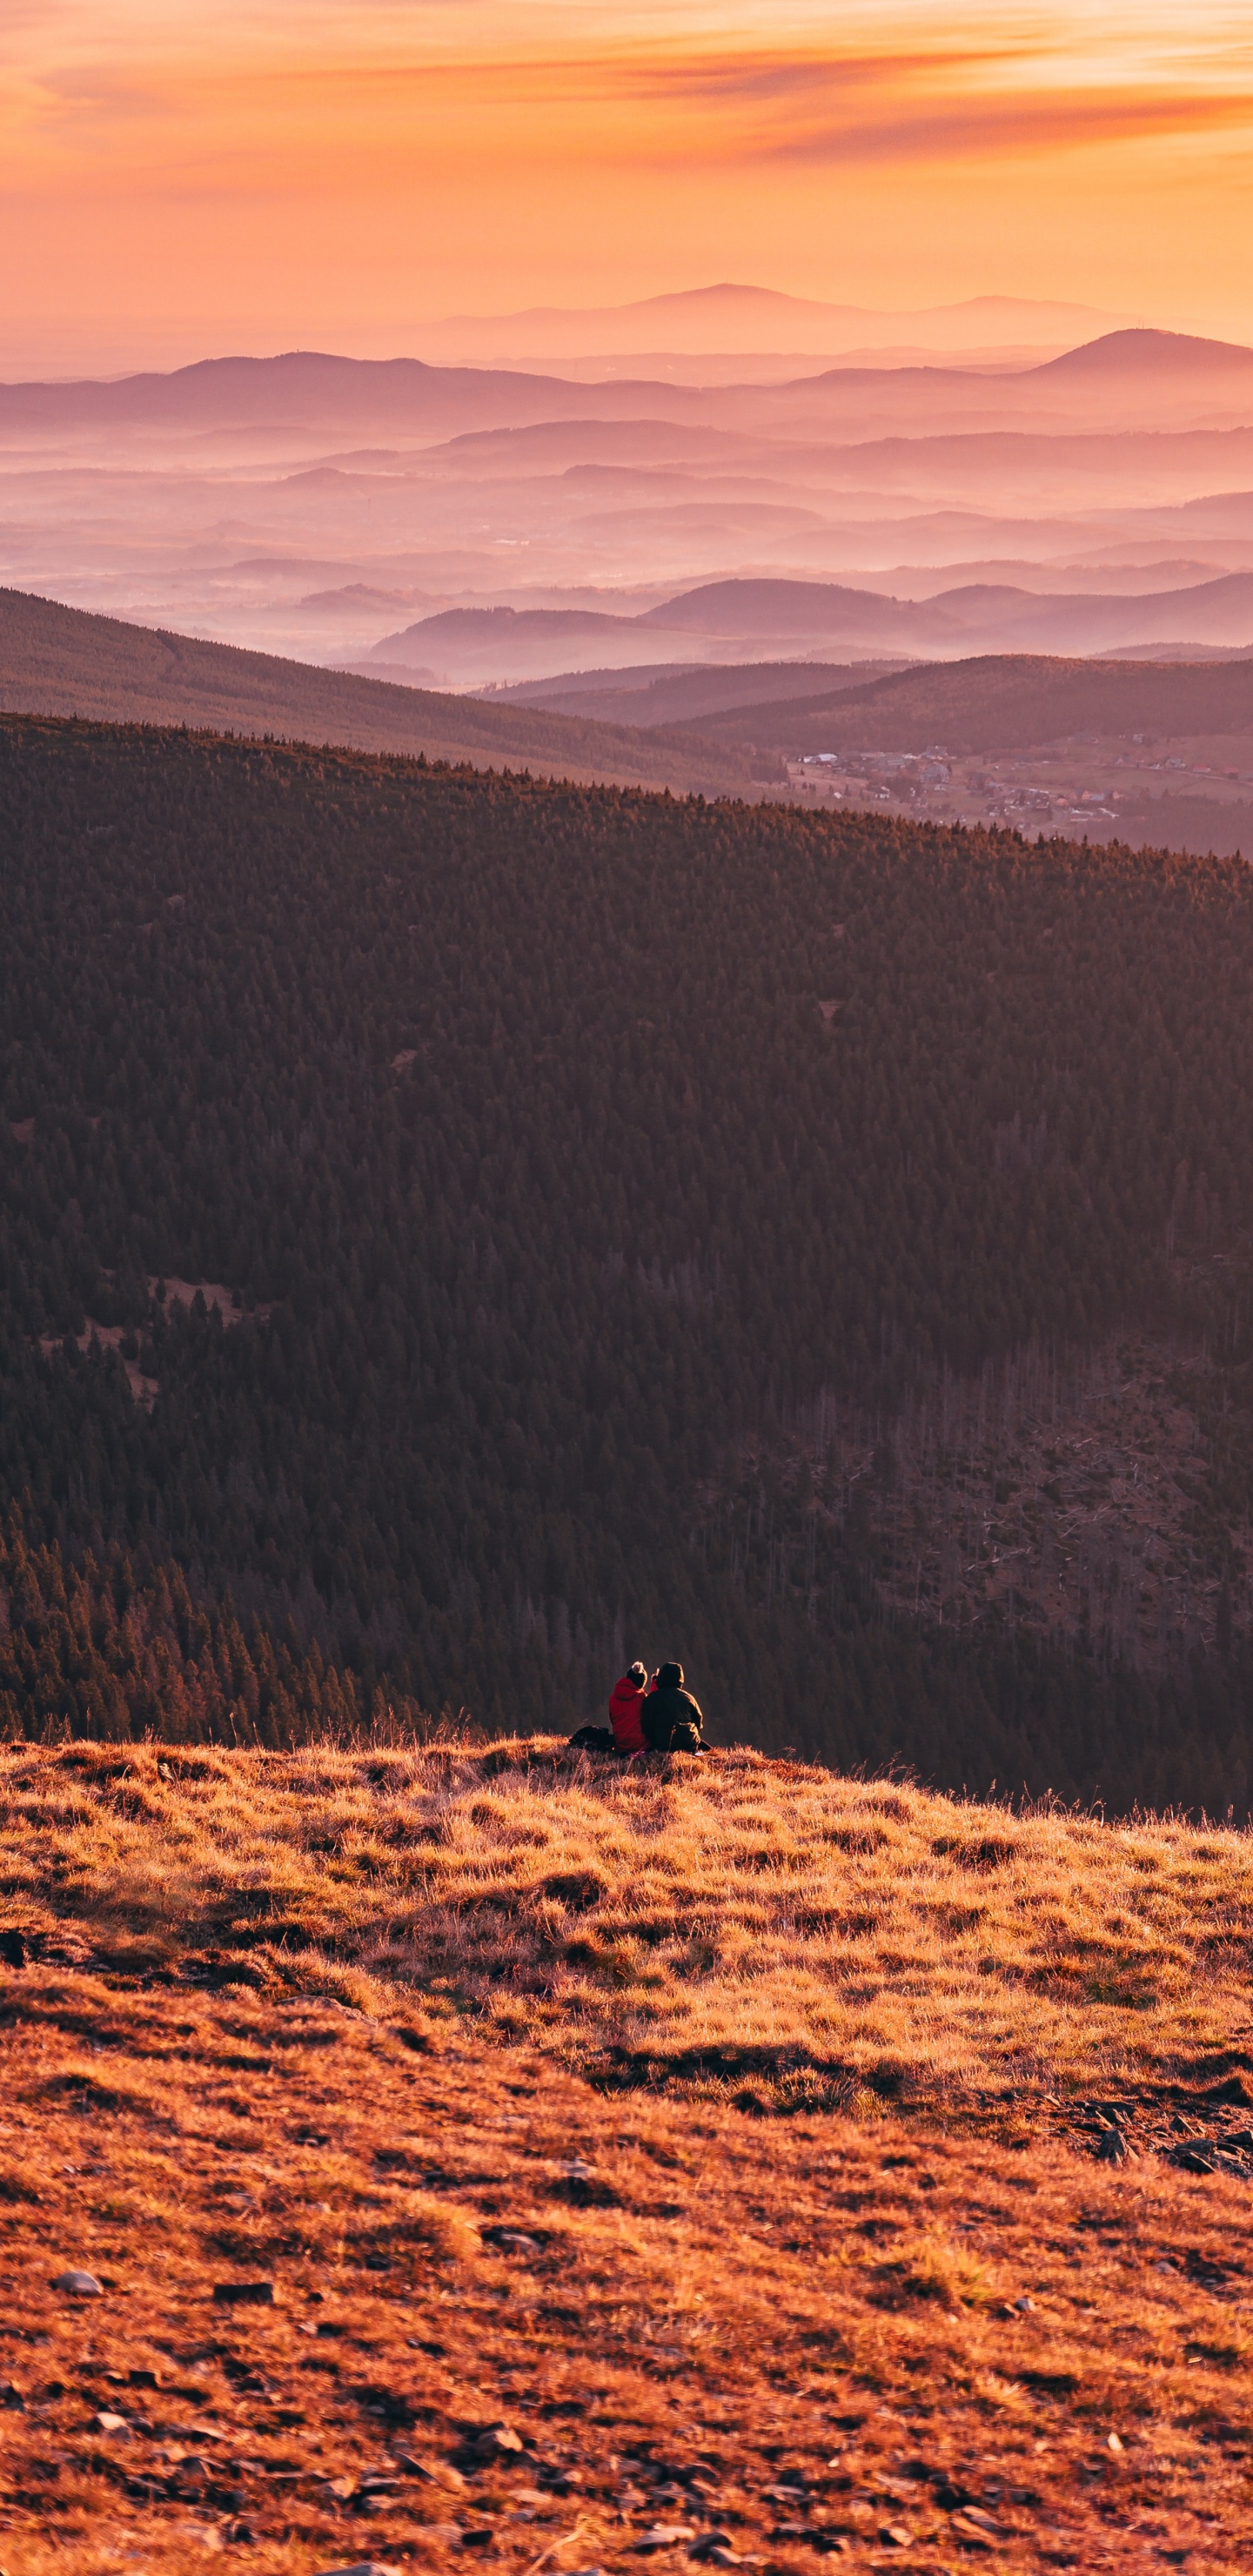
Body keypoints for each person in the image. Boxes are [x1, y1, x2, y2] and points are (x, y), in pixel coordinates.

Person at [641, 1660, 705, 1754]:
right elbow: (698, 1721)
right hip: (689, 1744)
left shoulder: (651, 1698)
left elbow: (646, 1725)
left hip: (662, 1745)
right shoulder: (688, 1698)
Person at [608, 1660, 649, 1754]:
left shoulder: (613, 1698)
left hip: (621, 1746)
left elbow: (612, 1720)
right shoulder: (642, 1698)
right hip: (641, 1746)